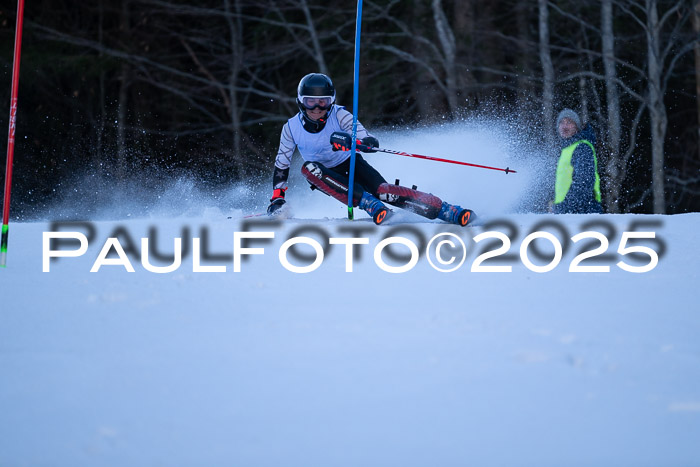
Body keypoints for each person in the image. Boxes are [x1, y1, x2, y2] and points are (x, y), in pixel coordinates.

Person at [267, 73, 474, 226]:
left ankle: (446, 210)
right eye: (310, 102)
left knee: (384, 191)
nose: (317, 108)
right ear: (300, 102)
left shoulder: (339, 115)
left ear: (332, 101)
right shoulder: (291, 128)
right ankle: (369, 204)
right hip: (325, 176)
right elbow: (282, 164)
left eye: (323, 102)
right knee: (309, 168)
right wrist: (278, 197)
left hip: (352, 164)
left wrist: (356, 141)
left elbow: (362, 135)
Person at [552, 108, 603, 214]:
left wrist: (565, 207)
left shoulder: (582, 147)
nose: (564, 126)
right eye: (561, 122)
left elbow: (584, 182)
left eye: (569, 122)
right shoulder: (566, 149)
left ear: (577, 127)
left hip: (582, 212)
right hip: (569, 212)